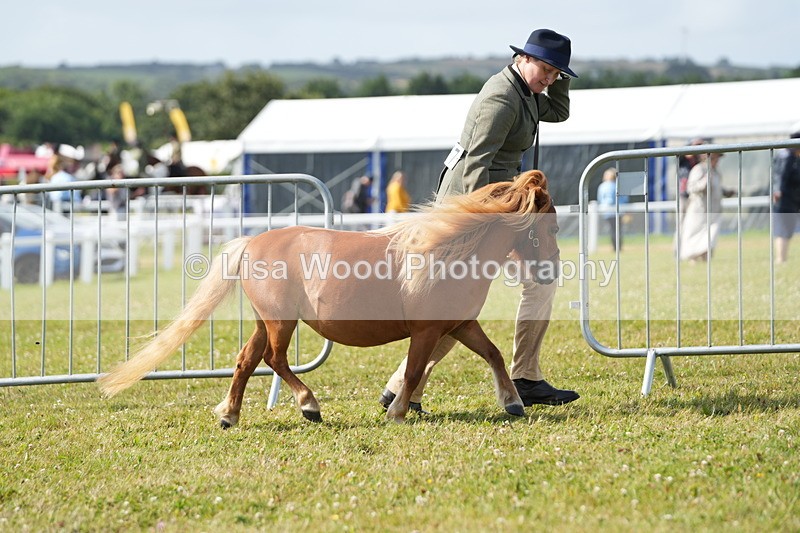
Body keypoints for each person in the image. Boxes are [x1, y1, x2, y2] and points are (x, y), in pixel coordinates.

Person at [379, 28, 580, 413]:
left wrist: (560, 78)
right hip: (473, 209)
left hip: (497, 209)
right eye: (546, 69)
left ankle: (524, 376)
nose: (549, 79)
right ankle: (409, 386)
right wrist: (476, 225)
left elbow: (559, 111)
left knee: (527, 283)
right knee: (458, 304)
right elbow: (476, 164)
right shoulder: (503, 97)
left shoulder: (527, 92)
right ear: (522, 58)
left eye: (557, 74)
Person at [678, 150, 731, 262]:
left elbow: (717, 188)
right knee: (696, 236)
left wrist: (726, 192)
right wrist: (703, 182)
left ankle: (706, 261)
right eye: (713, 158)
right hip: (699, 210)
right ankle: (694, 260)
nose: (716, 161)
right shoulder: (698, 170)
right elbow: (691, 188)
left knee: (710, 236)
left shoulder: (716, 171)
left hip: (713, 210)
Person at [772, 132, 800, 263]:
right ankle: (780, 259)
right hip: (785, 199)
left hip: (790, 199)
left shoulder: (791, 156)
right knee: (783, 230)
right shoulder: (786, 156)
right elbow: (781, 176)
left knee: (786, 230)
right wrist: (778, 191)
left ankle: (782, 259)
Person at [596, 167, 626, 252]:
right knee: (617, 230)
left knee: (613, 230)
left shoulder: (602, 186)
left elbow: (600, 199)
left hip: (607, 212)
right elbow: (624, 199)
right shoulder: (617, 185)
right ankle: (618, 247)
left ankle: (615, 247)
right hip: (617, 212)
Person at [47, 144, 84, 213]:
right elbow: (76, 200)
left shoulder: (57, 177)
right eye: (75, 163)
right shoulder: (66, 178)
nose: (78, 166)